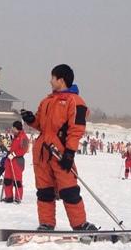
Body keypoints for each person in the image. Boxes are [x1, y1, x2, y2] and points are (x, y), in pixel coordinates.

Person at [20, 64, 96, 231]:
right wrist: (31, 119)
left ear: (61, 80)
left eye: (52, 78)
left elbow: (76, 130)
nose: (50, 81)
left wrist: (69, 153)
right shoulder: (46, 101)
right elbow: (41, 125)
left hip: (60, 153)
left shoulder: (76, 102)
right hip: (42, 154)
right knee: (44, 191)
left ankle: (80, 224)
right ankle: (46, 223)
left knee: (69, 190)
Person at [2, 120, 29, 203]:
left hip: (17, 161)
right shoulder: (14, 137)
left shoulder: (24, 138)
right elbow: (11, 148)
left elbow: (24, 149)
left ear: (17, 128)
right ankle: (8, 197)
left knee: (17, 181)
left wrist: (13, 154)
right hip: (9, 161)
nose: (12, 129)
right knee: (7, 180)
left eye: (13, 128)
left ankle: (18, 197)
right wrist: (7, 146)